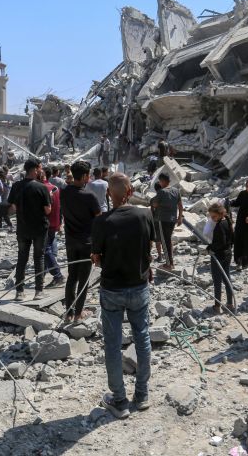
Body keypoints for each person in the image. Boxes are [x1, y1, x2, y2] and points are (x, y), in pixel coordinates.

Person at [91, 172, 154, 419]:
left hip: (112, 290)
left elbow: (96, 258)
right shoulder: (145, 214)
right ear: (130, 192)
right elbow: (148, 248)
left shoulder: (102, 222)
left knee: (113, 344)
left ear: (109, 194)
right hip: (139, 286)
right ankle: (142, 394)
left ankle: (119, 400)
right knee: (142, 337)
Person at [61, 160, 102, 322]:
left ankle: (69, 313)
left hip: (70, 241)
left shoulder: (64, 192)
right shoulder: (89, 196)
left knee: (72, 276)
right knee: (84, 279)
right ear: (85, 176)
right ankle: (78, 314)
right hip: (86, 242)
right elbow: (99, 219)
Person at [8, 159, 52, 300]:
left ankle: (19, 292)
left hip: (22, 228)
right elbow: (48, 210)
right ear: (35, 169)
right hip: (39, 228)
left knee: (22, 258)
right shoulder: (41, 187)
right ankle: (39, 291)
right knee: (39, 257)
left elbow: (13, 207)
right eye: (40, 168)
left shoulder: (16, 186)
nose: (41, 170)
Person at [206, 202, 234, 314]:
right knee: (227, 278)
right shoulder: (227, 220)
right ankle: (230, 304)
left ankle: (217, 306)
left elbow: (220, 242)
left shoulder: (219, 226)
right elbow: (230, 239)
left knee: (217, 281)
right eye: (211, 217)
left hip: (218, 255)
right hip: (227, 253)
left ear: (220, 213)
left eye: (214, 216)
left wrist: (210, 247)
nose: (212, 219)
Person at [150, 172, 182, 270]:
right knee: (168, 240)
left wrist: (154, 202)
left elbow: (155, 204)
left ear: (162, 181)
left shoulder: (161, 192)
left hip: (162, 220)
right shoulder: (176, 190)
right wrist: (180, 217)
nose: (159, 183)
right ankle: (170, 262)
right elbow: (180, 205)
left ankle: (169, 264)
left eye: (160, 181)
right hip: (172, 220)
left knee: (164, 242)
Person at [40, 169, 65, 288]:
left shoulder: (41, 189)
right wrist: (59, 223)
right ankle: (43, 274)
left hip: (44, 223)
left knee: (45, 249)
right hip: (54, 223)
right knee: (47, 248)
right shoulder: (55, 188)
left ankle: (58, 275)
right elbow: (59, 207)